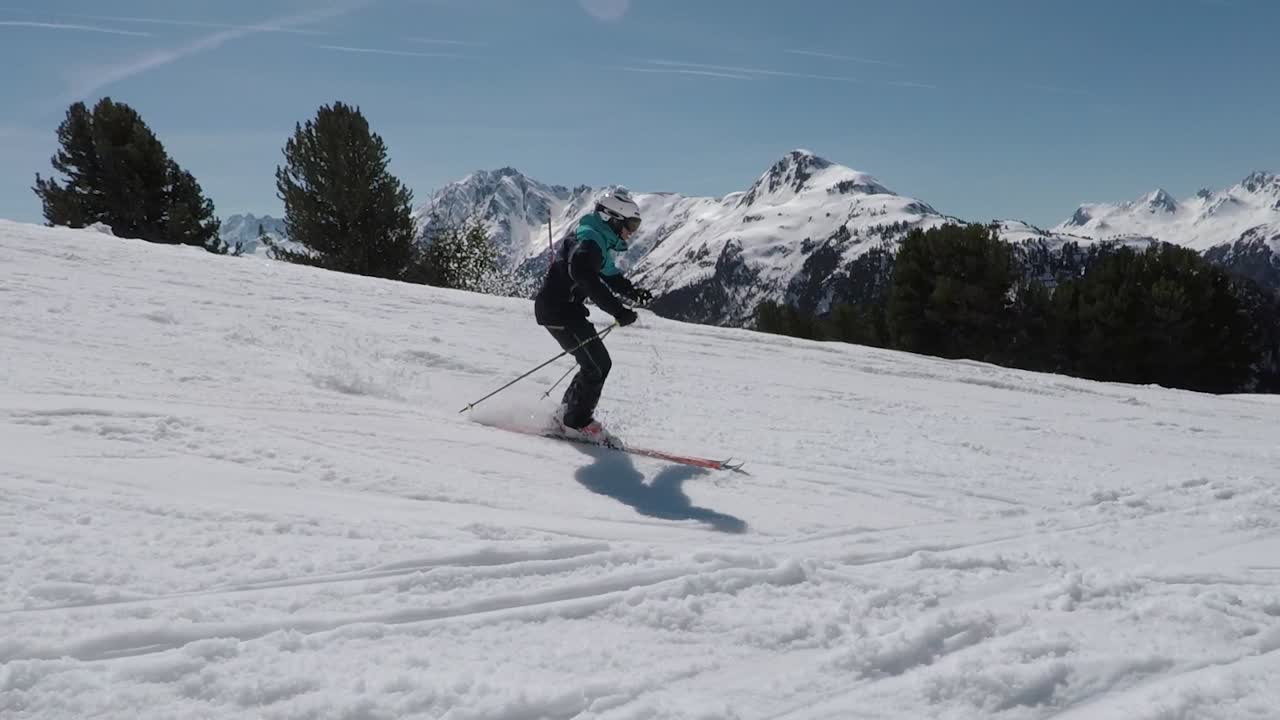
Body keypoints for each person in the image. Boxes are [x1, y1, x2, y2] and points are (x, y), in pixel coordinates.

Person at [533, 189, 653, 448]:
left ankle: (567, 417)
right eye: (631, 224)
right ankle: (575, 422)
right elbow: (584, 276)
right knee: (597, 364)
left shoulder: (597, 239)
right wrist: (618, 311)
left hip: (566, 310)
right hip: (557, 311)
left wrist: (633, 293)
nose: (632, 231)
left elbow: (608, 274)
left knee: (595, 364)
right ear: (612, 218)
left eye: (636, 225)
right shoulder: (589, 242)